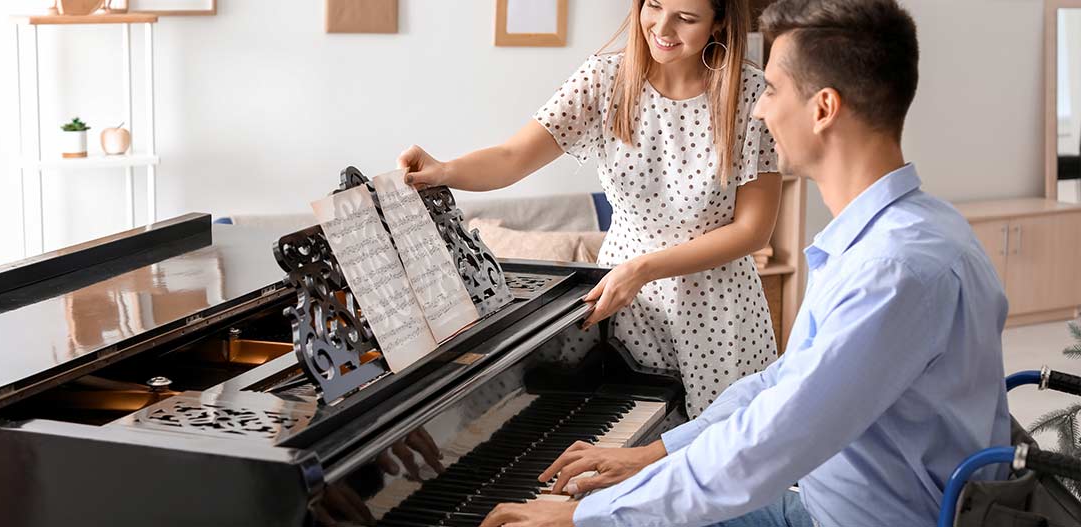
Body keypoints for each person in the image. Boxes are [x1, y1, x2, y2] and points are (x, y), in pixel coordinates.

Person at [479, 0, 1012, 525]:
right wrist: (653, 453)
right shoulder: (908, 230)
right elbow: (782, 385)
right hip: (825, 502)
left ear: (823, 109)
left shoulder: (891, 271)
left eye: (774, 91)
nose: (758, 108)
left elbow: (765, 448)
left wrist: (582, 519)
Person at [400, 0, 782, 419]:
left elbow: (752, 231)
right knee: (616, 453)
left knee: (716, 460)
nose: (662, 27)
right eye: (653, 5)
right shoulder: (604, 80)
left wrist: (643, 269)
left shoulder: (752, 95)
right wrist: (444, 170)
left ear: (720, 21)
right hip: (622, 302)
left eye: (686, 18)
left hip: (717, 311)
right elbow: (513, 156)